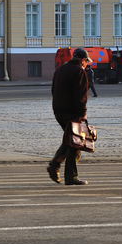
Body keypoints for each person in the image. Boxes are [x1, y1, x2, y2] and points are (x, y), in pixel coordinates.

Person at [47, 48, 92, 186]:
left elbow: (53, 90)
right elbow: (81, 96)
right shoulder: (79, 71)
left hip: (58, 110)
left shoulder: (60, 69)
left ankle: (56, 166)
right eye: (86, 62)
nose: (86, 64)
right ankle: (68, 174)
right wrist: (82, 113)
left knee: (70, 140)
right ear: (82, 60)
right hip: (72, 112)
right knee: (75, 143)